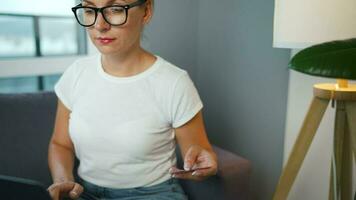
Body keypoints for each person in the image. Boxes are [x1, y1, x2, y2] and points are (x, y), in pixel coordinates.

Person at [47, 0, 218, 199]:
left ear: (146, 11)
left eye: (116, 9)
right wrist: (63, 181)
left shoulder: (174, 83)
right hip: (85, 193)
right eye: (89, 9)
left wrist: (204, 164)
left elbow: (199, 153)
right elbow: (60, 144)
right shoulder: (76, 73)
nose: (99, 25)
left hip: (153, 194)